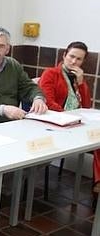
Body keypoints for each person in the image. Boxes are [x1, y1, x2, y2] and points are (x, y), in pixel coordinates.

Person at [39, 41, 100, 194]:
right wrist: (71, 116)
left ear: (83, 62)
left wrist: (81, 83)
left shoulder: (76, 78)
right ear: (64, 55)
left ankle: (98, 183)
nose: (74, 62)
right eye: (71, 56)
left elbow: (85, 107)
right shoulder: (51, 73)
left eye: (79, 59)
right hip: (54, 124)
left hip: (75, 124)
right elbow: (48, 102)